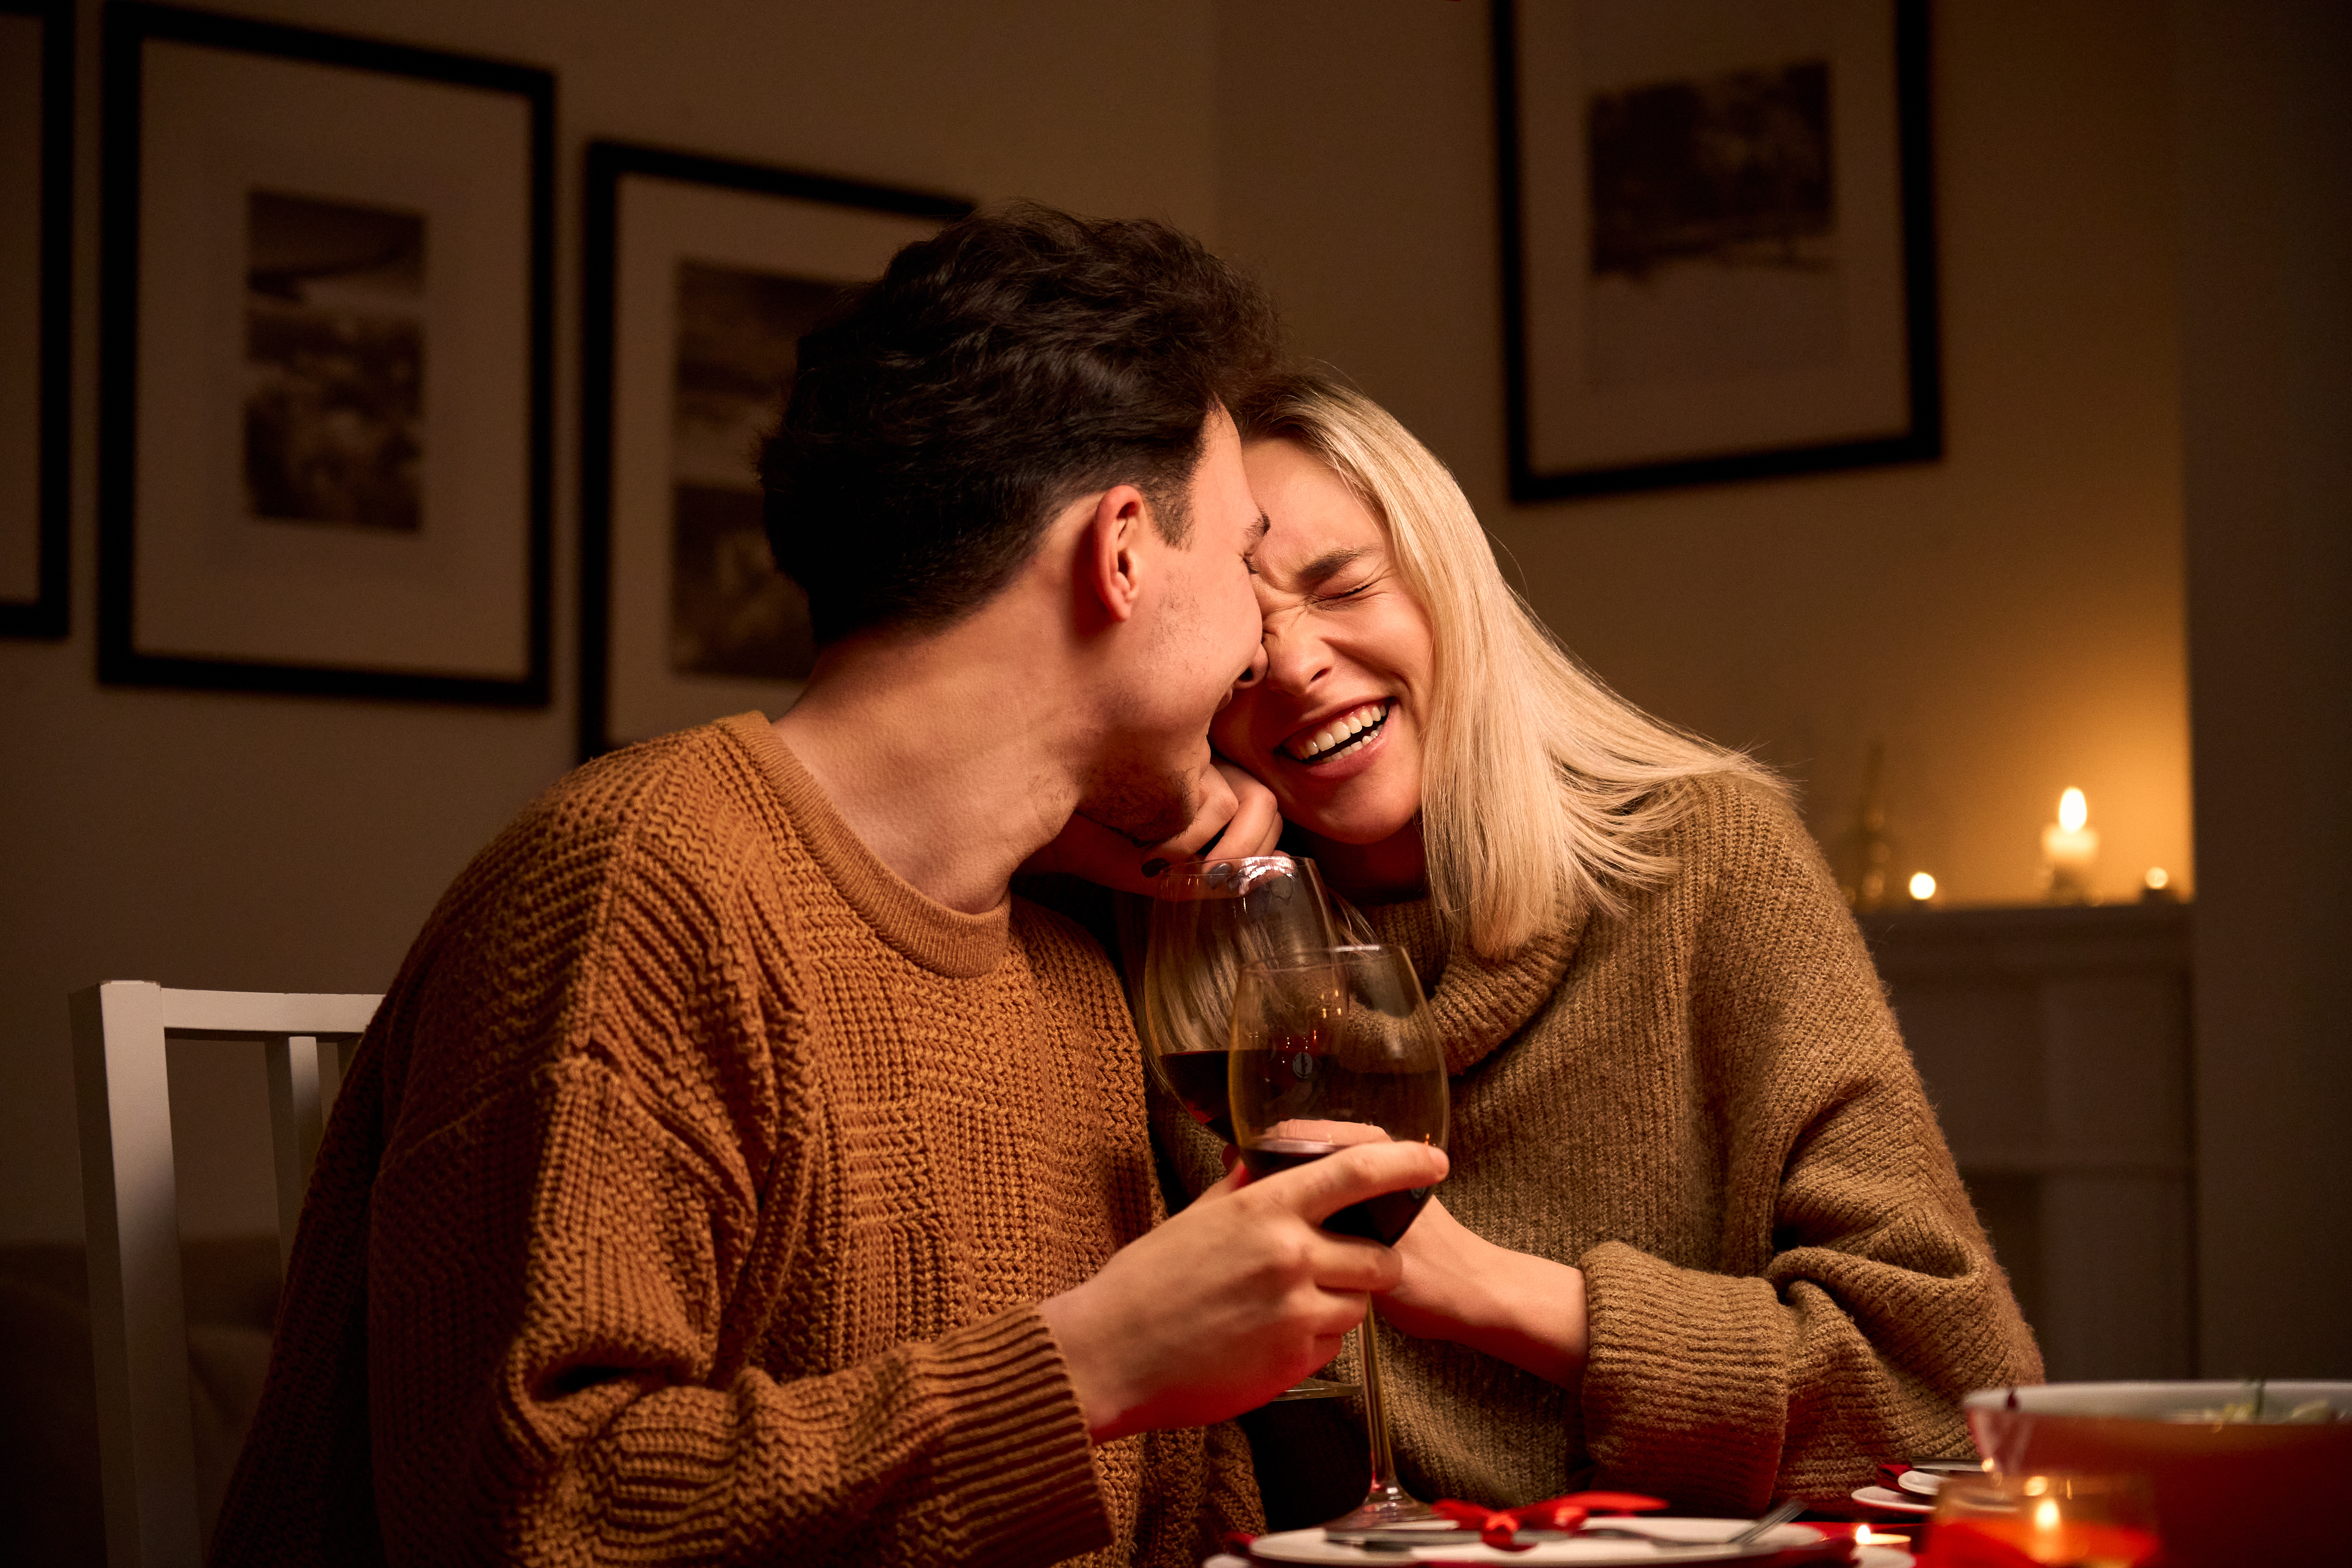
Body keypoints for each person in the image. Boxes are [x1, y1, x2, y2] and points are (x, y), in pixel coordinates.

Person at [211, 212, 1448, 1567]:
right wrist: (1083, 1365)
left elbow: (1175, 1513)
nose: (1261, 651)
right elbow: (528, 1516)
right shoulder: (637, 886)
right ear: (1124, 550)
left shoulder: (1068, 973)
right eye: (1241, 554)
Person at [1087, 368, 2044, 1524]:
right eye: (1243, 634)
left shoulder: (1703, 861)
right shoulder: (1165, 942)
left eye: (1343, 585)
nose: (1293, 666)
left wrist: (1476, 1287)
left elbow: (1953, 1406)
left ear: (1449, 581)